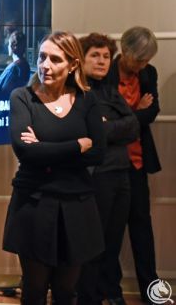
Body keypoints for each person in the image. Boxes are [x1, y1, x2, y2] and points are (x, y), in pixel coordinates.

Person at [2, 31, 106, 305]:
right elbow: (25, 151)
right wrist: (77, 145)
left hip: (77, 205)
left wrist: (44, 149)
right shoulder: (22, 97)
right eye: (42, 57)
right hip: (34, 203)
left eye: (55, 59)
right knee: (34, 290)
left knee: (66, 291)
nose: (45, 65)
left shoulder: (87, 100)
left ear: (73, 65)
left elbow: (98, 153)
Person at [76, 33, 140, 305]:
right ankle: (88, 297)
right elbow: (92, 132)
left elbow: (133, 126)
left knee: (113, 242)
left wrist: (105, 127)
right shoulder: (78, 91)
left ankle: (108, 292)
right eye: (95, 56)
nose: (102, 61)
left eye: (106, 56)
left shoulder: (110, 90)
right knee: (94, 243)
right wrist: (112, 128)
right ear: (81, 59)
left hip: (121, 174)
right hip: (97, 176)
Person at [105, 26, 161, 303]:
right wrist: (135, 112)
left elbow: (153, 111)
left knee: (143, 232)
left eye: (146, 60)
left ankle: (152, 293)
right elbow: (106, 125)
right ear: (124, 51)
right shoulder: (105, 73)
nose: (142, 65)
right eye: (139, 60)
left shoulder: (148, 74)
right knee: (110, 235)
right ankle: (112, 293)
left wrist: (128, 118)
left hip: (138, 164)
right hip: (110, 166)